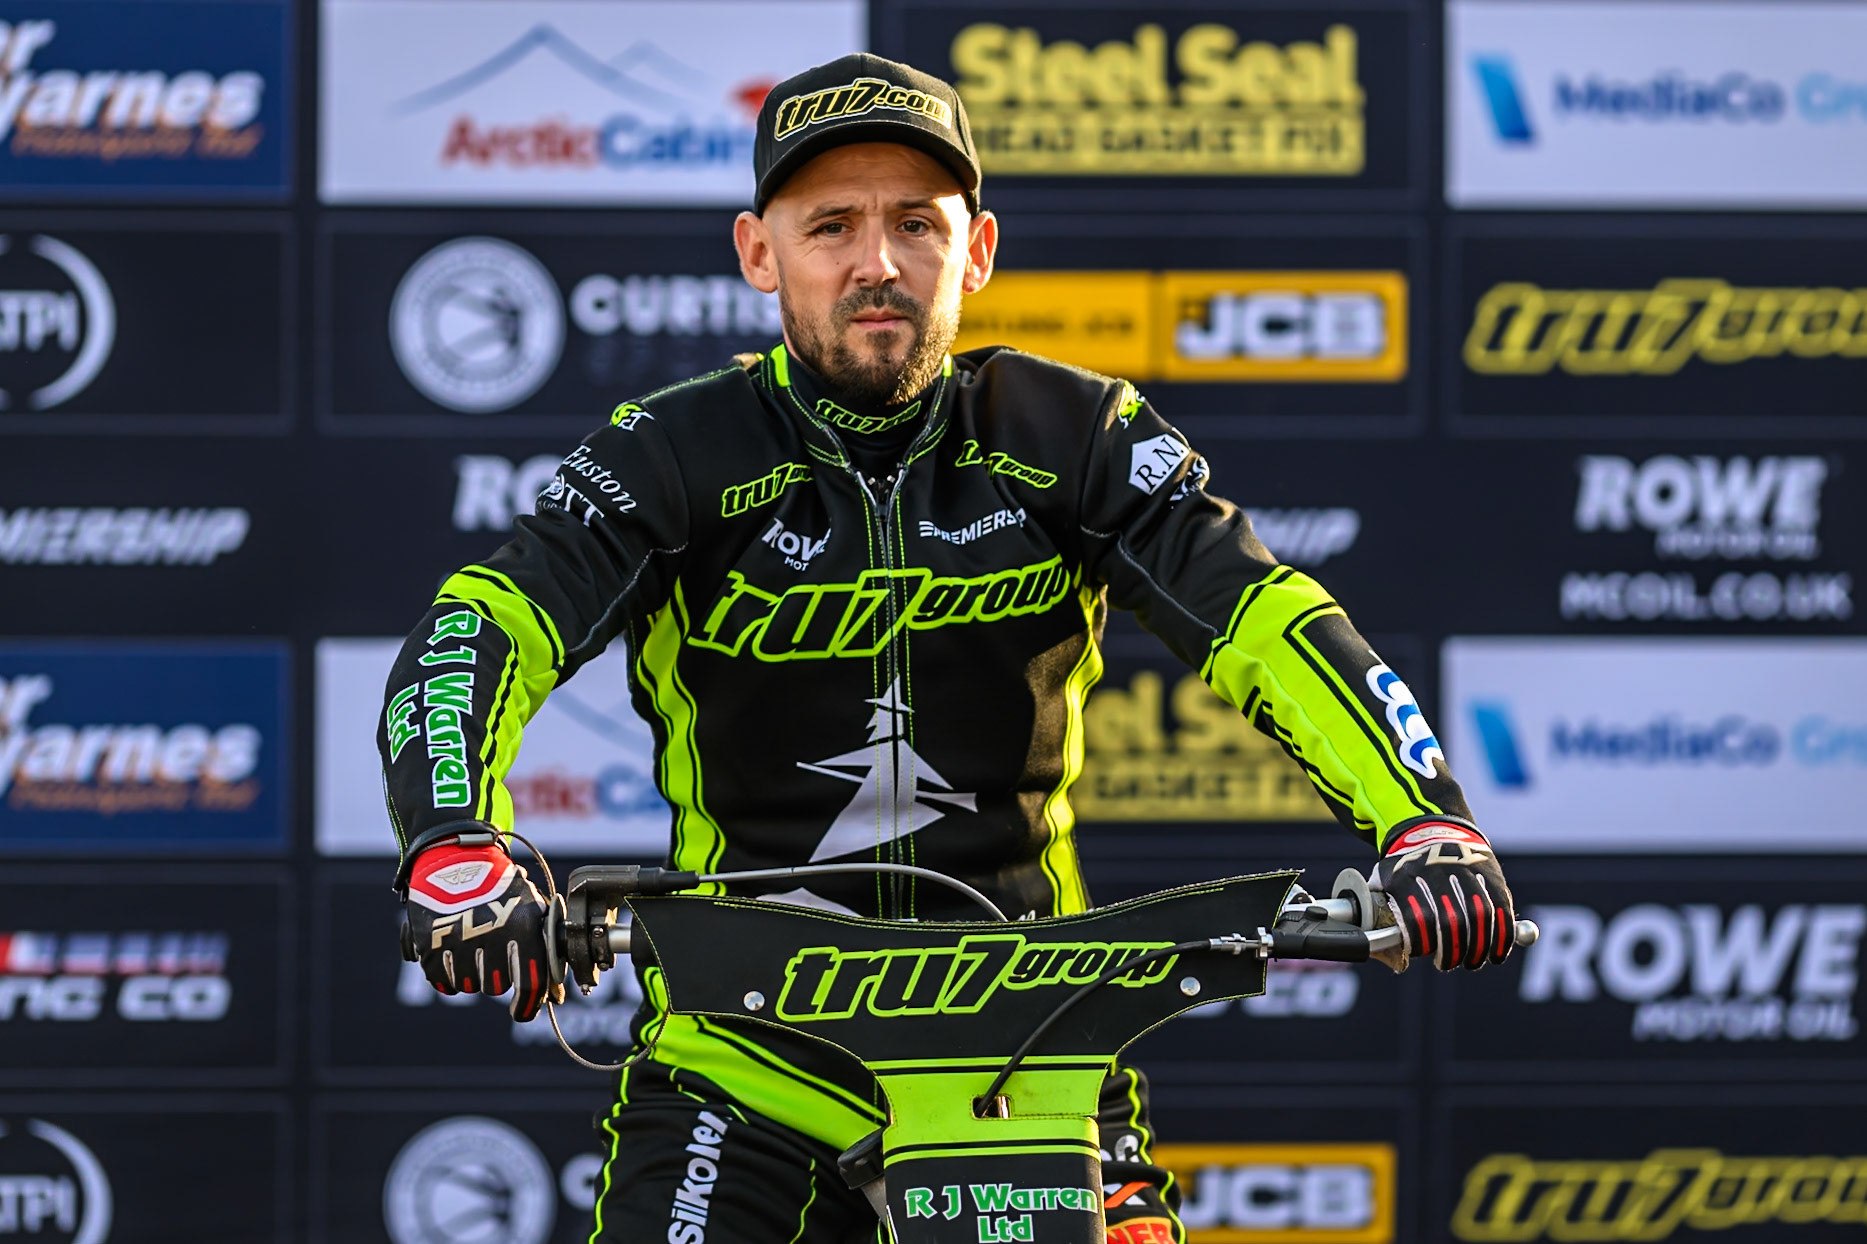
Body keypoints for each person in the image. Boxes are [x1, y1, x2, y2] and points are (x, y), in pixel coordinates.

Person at [378, 52, 1518, 1244]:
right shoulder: (673, 451)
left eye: (914, 223)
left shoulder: (1071, 435)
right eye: (831, 225)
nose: (877, 262)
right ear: (758, 254)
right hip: (746, 1063)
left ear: (974, 250)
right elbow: (479, 627)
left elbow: (1261, 618)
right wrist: (454, 839)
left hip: (1028, 1052)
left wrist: (1421, 815)